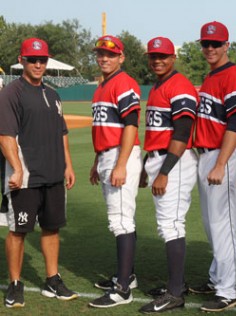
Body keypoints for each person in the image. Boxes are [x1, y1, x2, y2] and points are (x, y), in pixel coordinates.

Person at [0, 37, 78, 308]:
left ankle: (52, 280)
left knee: (51, 228)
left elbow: (62, 132)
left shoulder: (53, 94)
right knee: (18, 230)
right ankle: (15, 283)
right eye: (32, 59)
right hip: (26, 177)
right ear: (22, 60)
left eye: (42, 59)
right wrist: (17, 168)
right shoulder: (12, 93)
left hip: (54, 174)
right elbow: (5, 135)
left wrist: (67, 164)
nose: (37, 64)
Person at [189, 21, 236, 313]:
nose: (210, 48)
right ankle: (216, 279)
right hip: (208, 157)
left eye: (216, 44)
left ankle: (228, 291)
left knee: (223, 227)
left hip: (223, 157)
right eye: (206, 44)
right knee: (212, 227)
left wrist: (221, 164)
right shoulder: (211, 75)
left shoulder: (234, 77)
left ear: (227, 45)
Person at [137, 36, 198, 314]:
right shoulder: (161, 85)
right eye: (153, 56)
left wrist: (164, 172)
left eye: (163, 56)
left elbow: (183, 133)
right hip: (159, 158)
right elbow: (155, 133)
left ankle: (175, 294)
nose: (157, 60)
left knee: (171, 224)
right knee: (168, 224)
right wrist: (144, 166)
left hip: (175, 162)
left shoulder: (180, 87)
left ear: (173, 58)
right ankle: (177, 284)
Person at [88, 35, 142, 308]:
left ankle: (122, 289)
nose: (104, 58)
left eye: (110, 54)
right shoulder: (102, 86)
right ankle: (127, 276)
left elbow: (131, 124)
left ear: (121, 57)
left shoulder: (124, 83)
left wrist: (120, 164)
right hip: (108, 155)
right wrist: (97, 161)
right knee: (122, 217)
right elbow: (104, 128)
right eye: (101, 54)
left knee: (120, 220)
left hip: (122, 156)